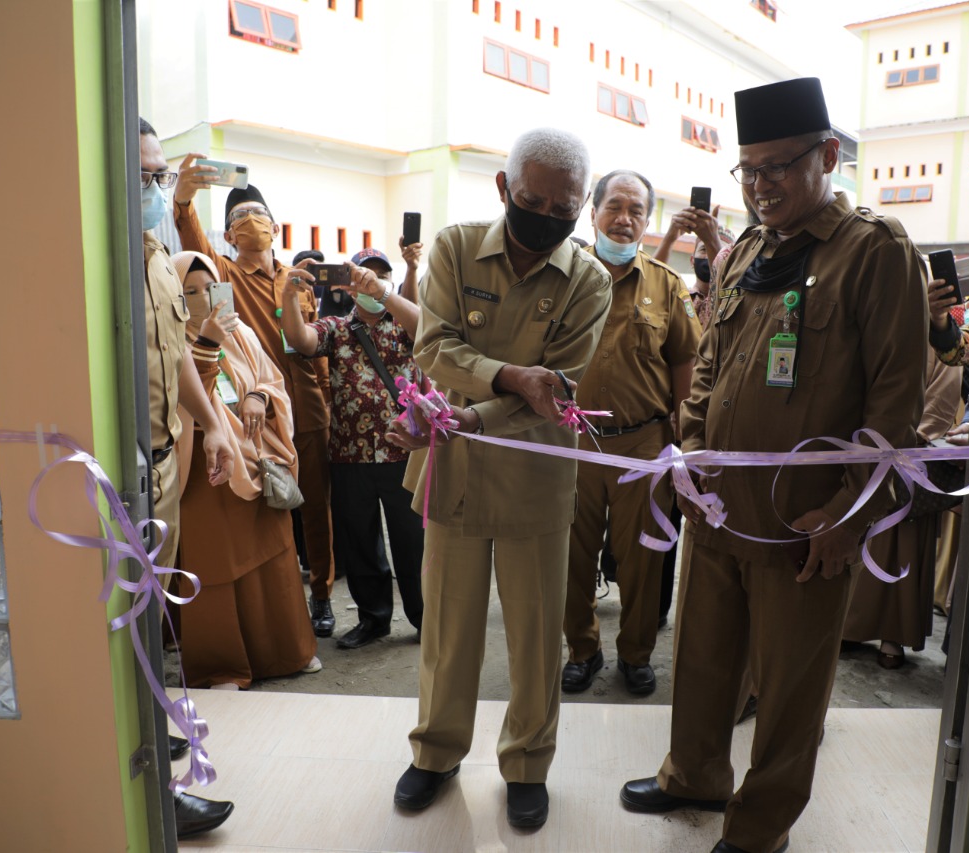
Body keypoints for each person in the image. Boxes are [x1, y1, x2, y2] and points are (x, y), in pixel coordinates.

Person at [618, 78, 928, 853]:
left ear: (827, 155)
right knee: (701, 655)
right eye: (748, 171)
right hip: (718, 508)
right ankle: (693, 772)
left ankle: (760, 827)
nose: (760, 187)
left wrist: (851, 512)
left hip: (805, 526)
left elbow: (896, 403)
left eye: (778, 168)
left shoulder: (874, 249)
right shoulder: (747, 249)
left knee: (791, 686)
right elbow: (711, 368)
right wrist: (690, 457)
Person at [385, 127, 612, 830]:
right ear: (503, 190)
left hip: (535, 474)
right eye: (532, 199)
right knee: (448, 626)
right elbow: (433, 347)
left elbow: (558, 392)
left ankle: (526, 764)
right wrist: (512, 376)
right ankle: (436, 751)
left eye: (563, 205)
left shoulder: (590, 281)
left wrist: (476, 409)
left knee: (536, 634)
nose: (546, 214)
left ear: (580, 206)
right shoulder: (455, 247)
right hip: (450, 466)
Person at [172, 162, 337, 640]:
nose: (251, 222)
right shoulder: (222, 273)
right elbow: (194, 248)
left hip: (303, 408)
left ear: (276, 227)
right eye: (241, 216)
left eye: (258, 214)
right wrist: (184, 204)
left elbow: (313, 346)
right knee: (267, 508)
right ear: (228, 234)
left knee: (317, 507)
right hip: (247, 416)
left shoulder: (299, 278)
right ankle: (278, 606)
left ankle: (322, 596)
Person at [561, 169, 700, 696]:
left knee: (645, 558)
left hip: (644, 445)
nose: (624, 219)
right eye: (613, 207)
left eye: (636, 210)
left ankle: (636, 654)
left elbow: (685, 362)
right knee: (571, 558)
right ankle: (583, 649)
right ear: (591, 213)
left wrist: (682, 441)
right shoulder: (565, 277)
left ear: (648, 220)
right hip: (572, 442)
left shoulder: (667, 284)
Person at [139, 118, 236, 839]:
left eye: (157, 176)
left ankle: (146, 735)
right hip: (115, 477)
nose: (151, 188)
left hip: (164, 464)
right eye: (141, 176)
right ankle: (153, 795)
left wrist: (218, 425)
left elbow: (175, 359)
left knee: (151, 625)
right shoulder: (89, 255)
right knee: (127, 631)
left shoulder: (154, 256)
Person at [170, 250, 321, 688]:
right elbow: (186, 393)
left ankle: (288, 652)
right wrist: (209, 342)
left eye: (207, 288)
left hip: (255, 459)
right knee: (214, 566)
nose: (201, 299)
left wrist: (260, 396)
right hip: (206, 469)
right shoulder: (171, 342)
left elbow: (273, 380)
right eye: (189, 292)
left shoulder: (244, 335)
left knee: (274, 557)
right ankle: (221, 666)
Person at [280, 247, 425, 650]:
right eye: (362, 276)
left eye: (378, 276)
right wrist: (290, 296)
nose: (369, 282)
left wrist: (385, 294)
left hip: (404, 453)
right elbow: (300, 340)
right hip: (349, 456)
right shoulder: (337, 328)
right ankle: (373, 619)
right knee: (360, 542)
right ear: (347, 284)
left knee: (412, 542)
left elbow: (427, 328)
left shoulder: (404, 325)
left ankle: (426, 618)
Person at [842, 348, 961, 667]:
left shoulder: (943, 339)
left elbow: (943, 399)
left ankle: (892, 637)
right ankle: (851, 627)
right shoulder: (879, 319)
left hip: (910, 455)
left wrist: (910, 438)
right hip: (866, 446)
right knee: (860, 539)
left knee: (901, 546)